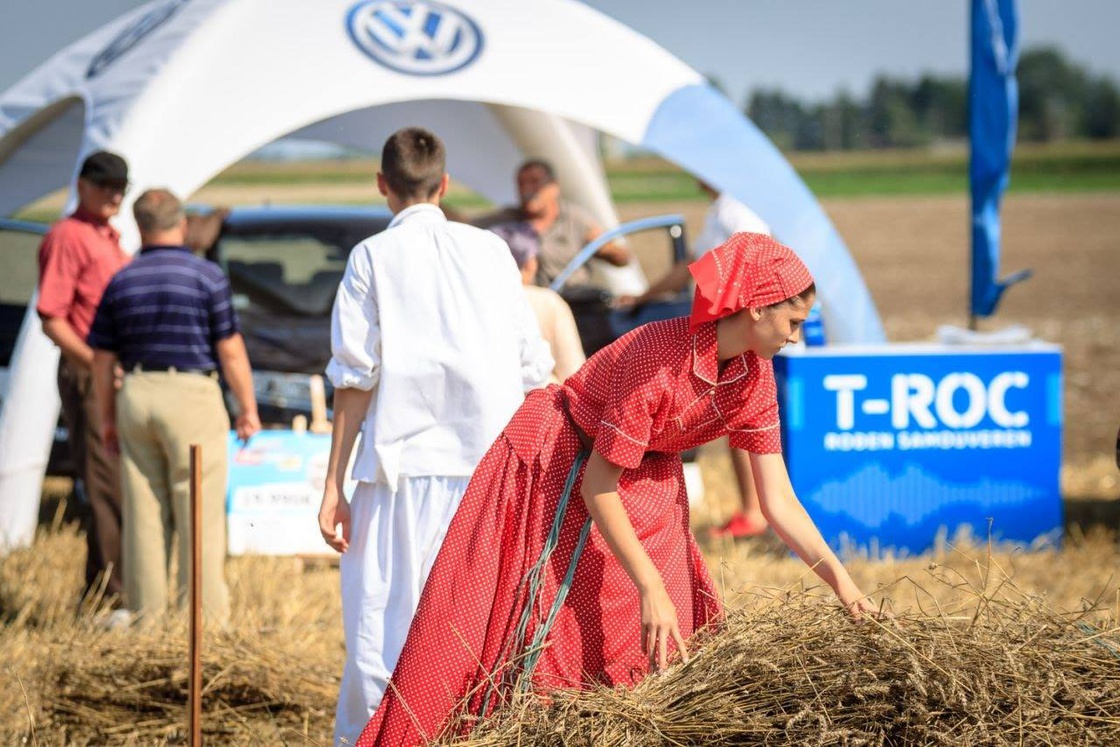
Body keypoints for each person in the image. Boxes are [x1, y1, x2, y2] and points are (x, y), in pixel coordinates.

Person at [357, 232, 876, 747]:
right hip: (562, 461)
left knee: (661, 627)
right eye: (793, 323)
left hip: (648, 475)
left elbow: (778, 500)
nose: (795, 337)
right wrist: (648, 586)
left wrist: (843, 586)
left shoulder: (752, 375)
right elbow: (598, 484)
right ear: (756, 309)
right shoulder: (658, 358)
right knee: (537, 618)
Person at [315, 128, 554, 747]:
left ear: (382, 187)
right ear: (444, 185)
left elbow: (355, 376)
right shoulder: (494, 252)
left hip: (401, 473)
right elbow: (534, 368)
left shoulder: (371, 257)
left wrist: (332, 484)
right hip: (489, 474)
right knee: (482, 632)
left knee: (382, 637)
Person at [88, 188, 260, 625]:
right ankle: (201, 629)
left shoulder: (121, 279)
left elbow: (103, 360)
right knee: (198, 512)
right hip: (192, 395)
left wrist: (107, 418)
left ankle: (148, 626)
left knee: (144, 515)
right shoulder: (206, 277)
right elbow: (232, 351)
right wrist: (247, 407)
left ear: (140, 228)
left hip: (138, 392)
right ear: (182, 225)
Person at [620, 182, 774, 539]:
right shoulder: (721, 209)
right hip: (727, 326)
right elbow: (690, 268)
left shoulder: (738, 209)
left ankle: (756, 512)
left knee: (743, 418)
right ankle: (752, 510)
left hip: (738, 328)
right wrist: (641, 298)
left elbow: (755, 261)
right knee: (736, 418)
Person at [36, 150, 131, 608]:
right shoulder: (68, 236)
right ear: (82, 185)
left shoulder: (107, 235)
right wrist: (97, 364)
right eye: (106, 185)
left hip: (110, 370)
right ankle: (109, 596)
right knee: (104, 482)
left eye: (121, 188)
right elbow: (52, 318)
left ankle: (108, 586)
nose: (114, 194)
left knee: (116, 480)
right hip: (88, 372)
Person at [477, 159, 630, 288]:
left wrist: (606, 249)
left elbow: (623, 259)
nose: (527, 190)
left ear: (554, 187)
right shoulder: (506, 221)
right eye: (521, 183)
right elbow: (464, 225)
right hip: (529, 301)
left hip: (573, 301)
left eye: (535, 182)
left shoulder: (576, 220)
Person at [489, 221, 586, 382]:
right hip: (539, 399)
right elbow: (573, 372)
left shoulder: (475, 299)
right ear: (530, 263)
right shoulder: (548, 302)